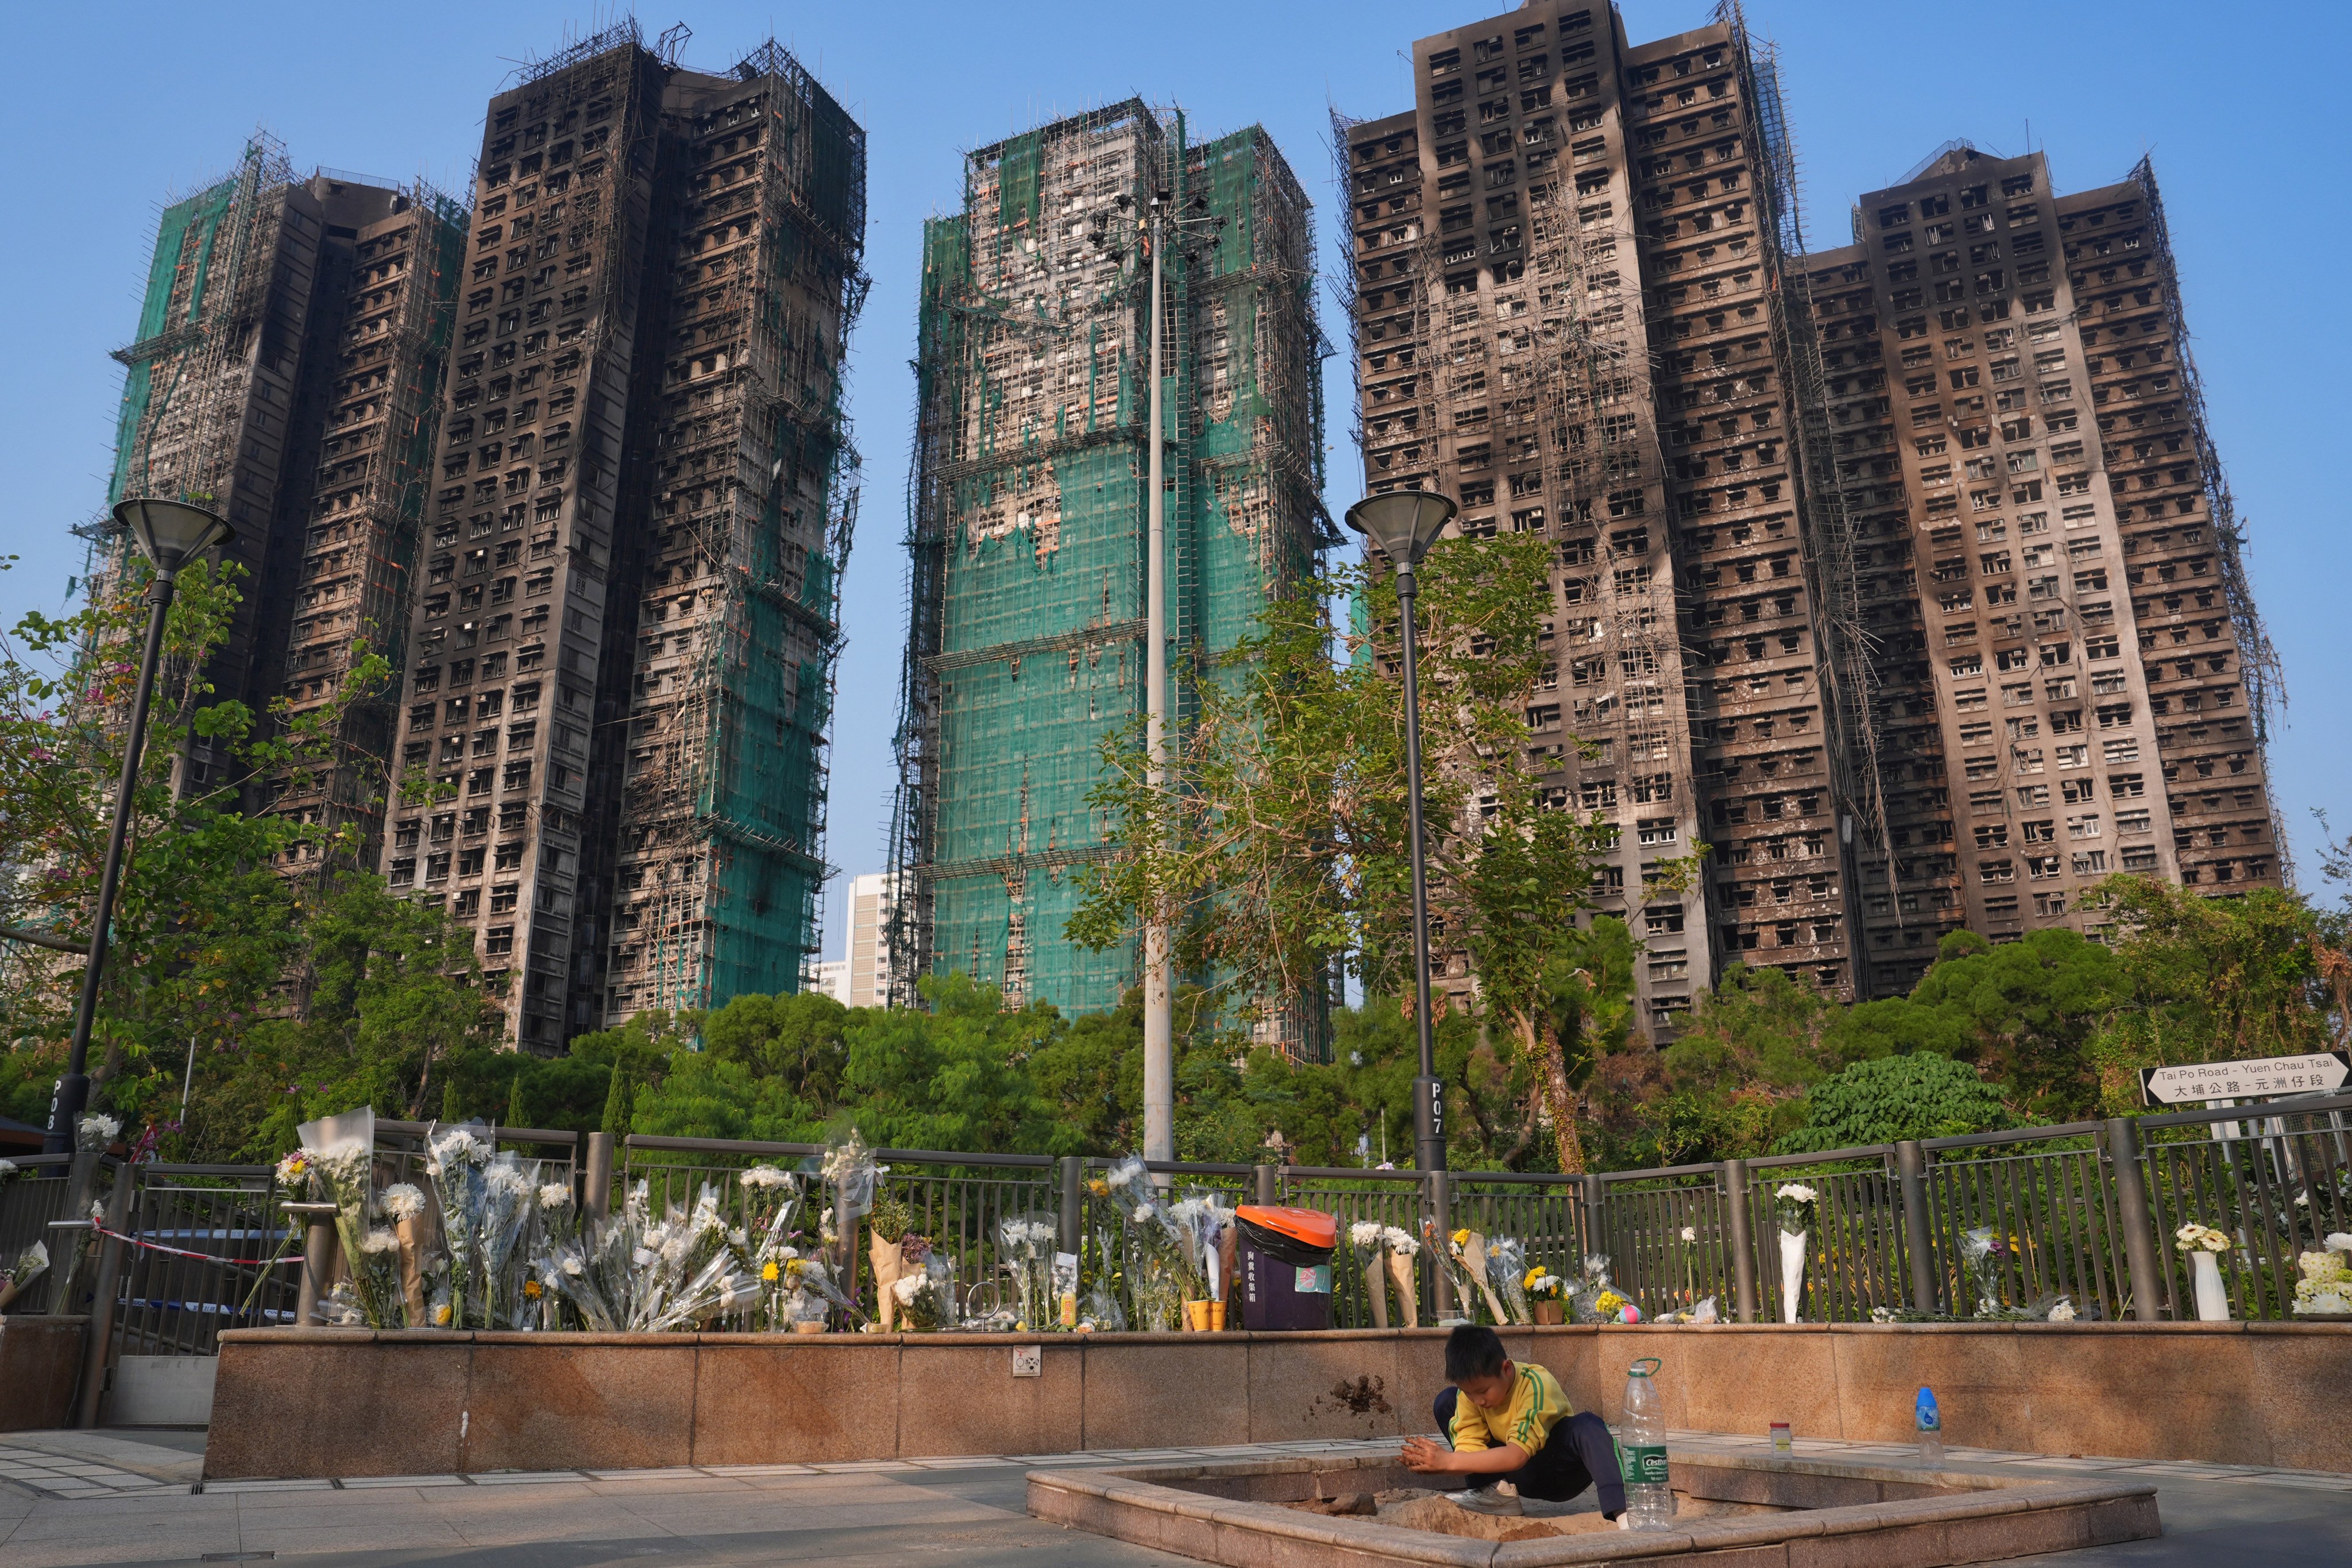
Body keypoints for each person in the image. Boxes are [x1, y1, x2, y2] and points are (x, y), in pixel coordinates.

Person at [1401, 1323, 1626, 1521]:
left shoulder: (1536, 1383)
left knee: (1587, 1424)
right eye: (1469, 1393)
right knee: (1446, 1400)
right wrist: (1436, 1464)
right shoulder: (1469, 1396)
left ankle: (1624, 1512)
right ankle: (1496, 1496)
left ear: (1506, 1369)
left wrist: (1447, 1462)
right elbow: (1468, 1450)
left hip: (1558, 1473)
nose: (1478, 1401)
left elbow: (1517, 1456)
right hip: (1517, 1474)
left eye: (1483, 1391)